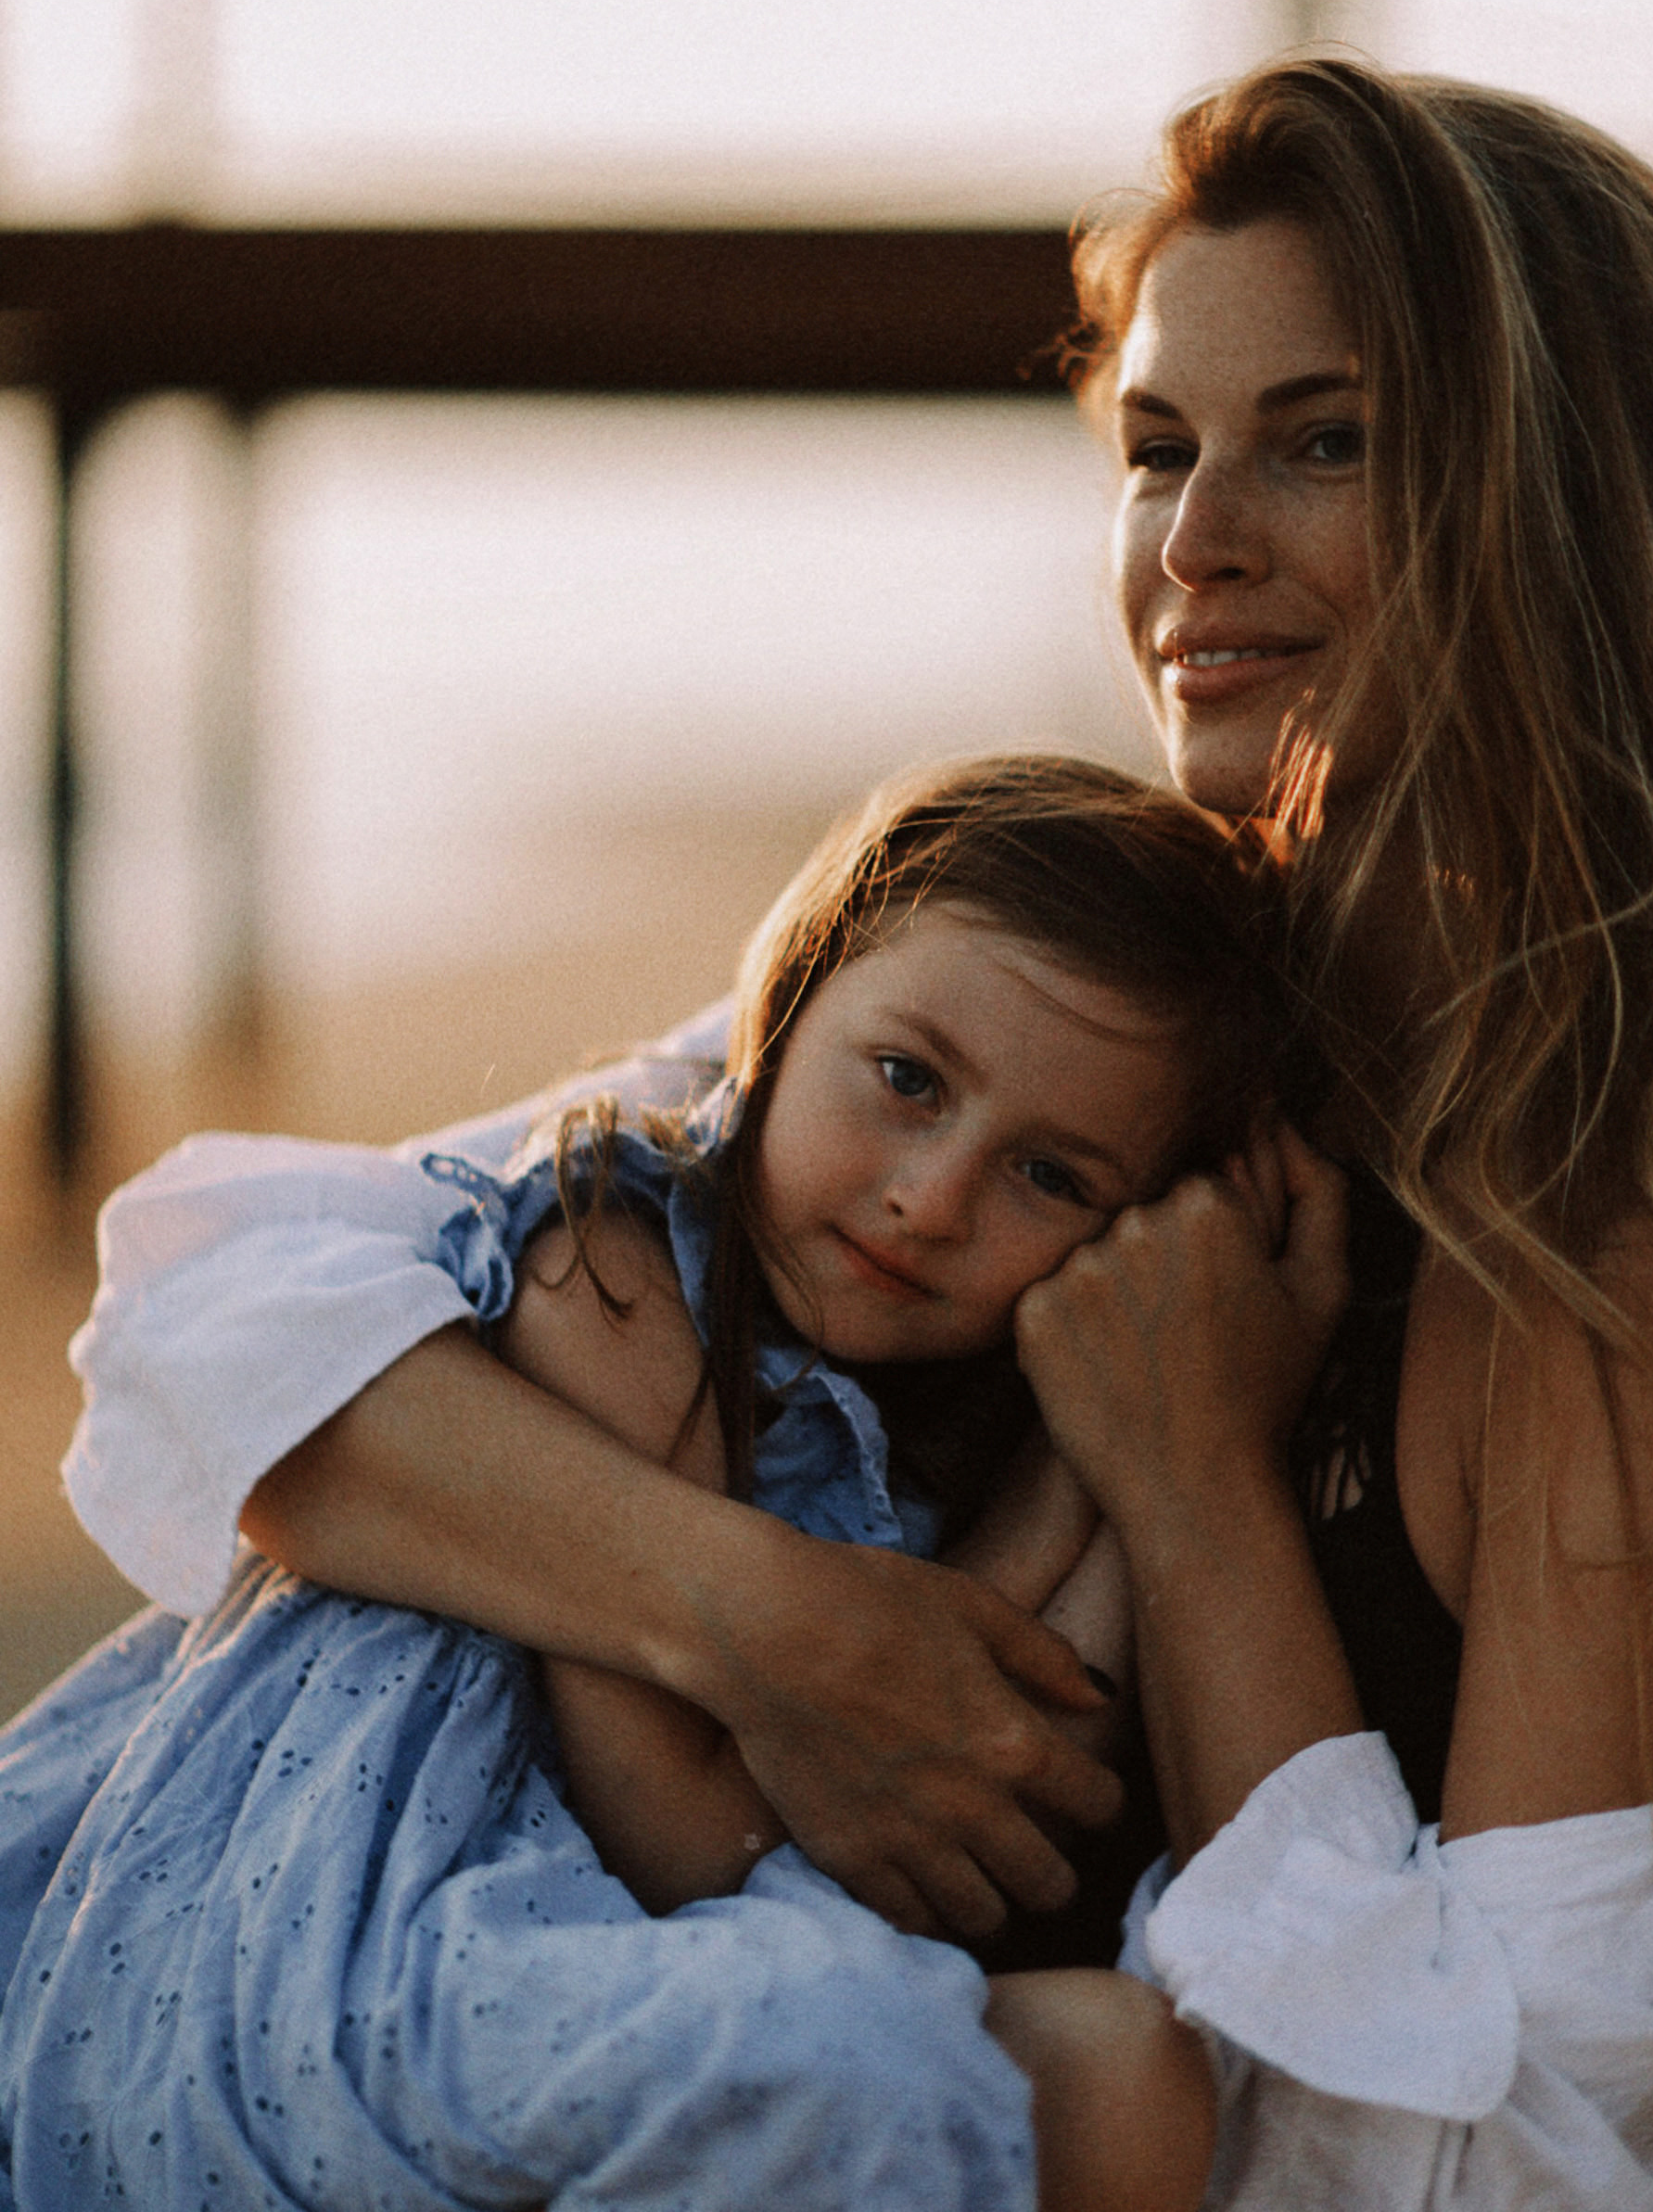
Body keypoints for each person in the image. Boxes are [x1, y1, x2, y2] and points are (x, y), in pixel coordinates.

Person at [39, 56, 1653, 2208]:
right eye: (1157, 448)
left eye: (1324, 441)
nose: (1195, 543)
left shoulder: (1621, 1272)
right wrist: (768, 1625)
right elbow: (215, 1307)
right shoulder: (1137, 1011)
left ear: (1576, 506)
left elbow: (1503, 2168)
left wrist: (1196, 1491)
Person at [2, 752, 1311, 2211]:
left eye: (1051, 1180)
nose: (930, 1199)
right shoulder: (614, 1269)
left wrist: (1136, 1439)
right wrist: (1085, 1469)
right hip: (350, 1930)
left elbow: (986, 1758)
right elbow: (691, 1837)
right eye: (905, 1080)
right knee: (853, 2064)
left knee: (1060, 2075)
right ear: (786, 1003)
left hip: (588, 1915)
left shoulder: (935, 1401)